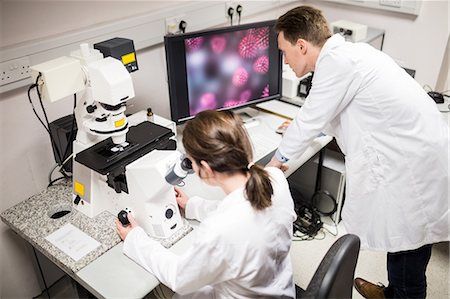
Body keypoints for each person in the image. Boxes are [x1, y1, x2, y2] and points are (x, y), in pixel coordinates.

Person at [268, 5, 449, 299]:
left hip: (414, 167)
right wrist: (307, 125)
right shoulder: (349, 55)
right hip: (418, 154)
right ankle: (392, 292)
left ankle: (402, 294)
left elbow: (311, 117)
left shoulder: (338, 62)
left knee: (409, 246)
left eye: (284, 52)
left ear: (301, 45)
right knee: (403, 237)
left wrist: (275, 165)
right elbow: (337, 109)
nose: (285, 61)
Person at [116, 110, 297, 299]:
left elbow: (180, 278)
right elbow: (240, 209)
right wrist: (192, 206)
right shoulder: (274, 179)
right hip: (279, 289)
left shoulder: (218, 231)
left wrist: (135, 239)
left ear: (207, 169)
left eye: (191, 163)